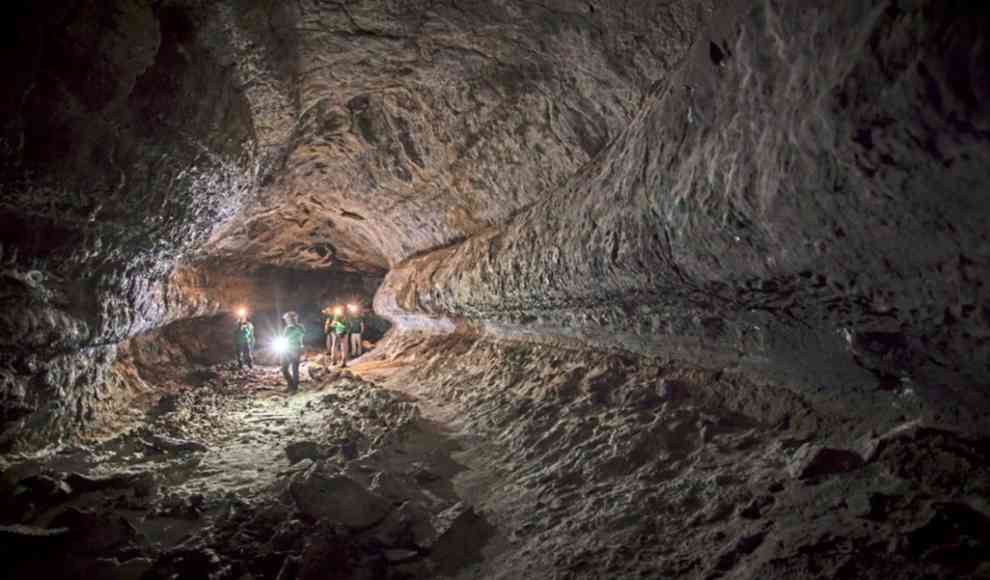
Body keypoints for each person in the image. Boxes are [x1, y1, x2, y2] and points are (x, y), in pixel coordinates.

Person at [280, 311, 305, 392]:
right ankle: (290, 385)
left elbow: (301, 334)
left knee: (295, 369)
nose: (286, 321)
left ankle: (294, 387)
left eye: (287, 319)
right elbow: (284, 338)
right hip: (287, 350)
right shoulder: (288, 328)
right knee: (284, 369)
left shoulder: (299, 327)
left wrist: (293, 327)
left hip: (295, 350)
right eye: (286, 319)